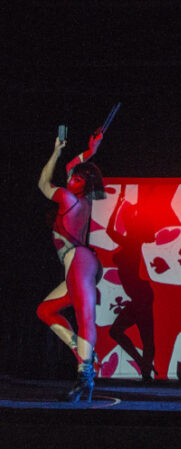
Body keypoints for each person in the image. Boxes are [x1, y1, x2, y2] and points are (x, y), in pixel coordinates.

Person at [37, 128, 106, 402]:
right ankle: (81, 349)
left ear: (81, 184)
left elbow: (43, 183)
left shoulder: (68, 198)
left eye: (75, 178)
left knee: (84, 316)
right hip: (79, 264)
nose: (69, 178)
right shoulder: (84, 198)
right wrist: (90, 150)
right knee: (45, 310)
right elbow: (72, 167)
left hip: (79, 261)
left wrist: (55, 153)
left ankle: (84, 375)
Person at [105, 187, 157, 382]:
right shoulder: (129, 242)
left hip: (141, 295)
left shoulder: (132, 242)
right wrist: (120, 205)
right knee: (124, 332)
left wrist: (120, 205)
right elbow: (112, 229)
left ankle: (145, 371)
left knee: (144, 335)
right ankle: (144, 368)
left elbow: (110, 229)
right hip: (139, 295)